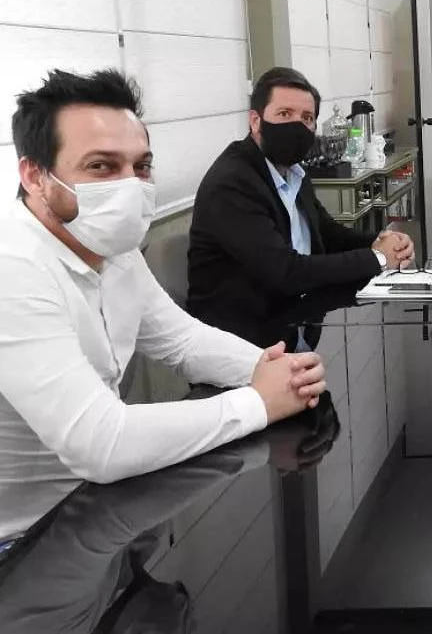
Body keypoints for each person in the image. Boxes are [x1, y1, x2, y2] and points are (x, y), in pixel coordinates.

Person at [0, 69, 325, 543]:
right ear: (34, 176)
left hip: (94, 510)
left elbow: (181, 340)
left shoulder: (110, 245)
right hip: (23, 544)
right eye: (101, 166)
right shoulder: (13, 268)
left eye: (141, 167)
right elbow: (100, 442)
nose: (129, 187)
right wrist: (258, 402)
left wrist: (269, 367)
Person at [187, 67, 415, 347]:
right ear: (255, 121)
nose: (297, 126)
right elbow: (284, 272)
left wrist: (383, 242)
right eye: (284, 114)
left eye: (307, 118)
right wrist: (377, 258)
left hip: (291, 327)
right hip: (242, 347)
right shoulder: (233, 183)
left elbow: (328, 234)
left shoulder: (293, 171)